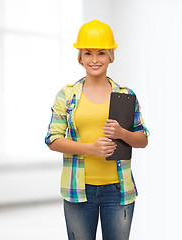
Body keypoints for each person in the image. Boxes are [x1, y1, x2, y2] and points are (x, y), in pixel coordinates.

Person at [45, 19, 149, 240]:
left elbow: (142, 139)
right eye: (88, 53)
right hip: (78, 190)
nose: (94, 59)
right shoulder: (67, 95)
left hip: (118, 191)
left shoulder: (125, 95)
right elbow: (53, 139)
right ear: (80, 57)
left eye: (101, 53)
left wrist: (122, 133)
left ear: (110, 56)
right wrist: (90, 148)